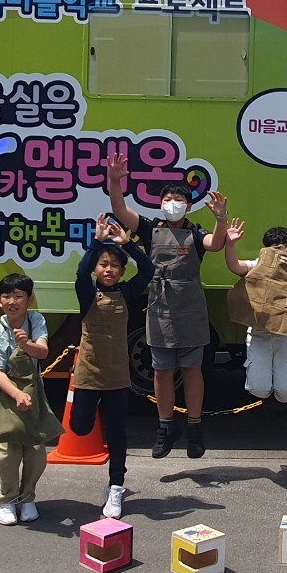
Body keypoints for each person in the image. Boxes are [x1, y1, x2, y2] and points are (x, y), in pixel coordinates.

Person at [107, 153, 228, 459]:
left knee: (192, 370)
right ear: (160, 203)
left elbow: (216, 244)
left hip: (191, 310)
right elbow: (120, 210)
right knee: (161, 371)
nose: (172, 203)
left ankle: (195, 428)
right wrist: (115, 181)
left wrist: (221, 218)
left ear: (189, 205)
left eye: (179, 199)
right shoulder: (151, 228)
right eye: (168, 199)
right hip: (160, 307)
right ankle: (165, 427)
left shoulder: (197, 233)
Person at [71, 214, 154, 518]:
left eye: (115, 265)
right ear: (96, 268)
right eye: (103, 265)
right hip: (89, 371)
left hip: (118, 375)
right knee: (80, 427)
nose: (108, 270)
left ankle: (116, 486)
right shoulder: (87, 292)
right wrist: (96, 242)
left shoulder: (128, 293)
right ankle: (114, 483)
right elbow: (80, 273)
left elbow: (148, 269)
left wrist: (126, 244)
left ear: (122, 271)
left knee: (117, 433)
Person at [223, 214, 287, 403]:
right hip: (259, 334)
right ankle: (266, 404)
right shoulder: (256, 266)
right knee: (258, 388)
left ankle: (280, 405)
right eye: (276, 248)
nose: (282, 252)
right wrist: (230, 244)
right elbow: (235, 266)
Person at [0, 273, 50, 525]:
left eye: (19, 296)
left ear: (29, 300)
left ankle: (27, 497)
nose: (12, 302)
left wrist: (26, 343)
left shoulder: (36, 320)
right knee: (7, 454)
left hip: (32, 392)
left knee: (36, 452)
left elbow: (42, 352)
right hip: (0, 394)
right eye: (7, 296)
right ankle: (7, 499)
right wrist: (17, 394)